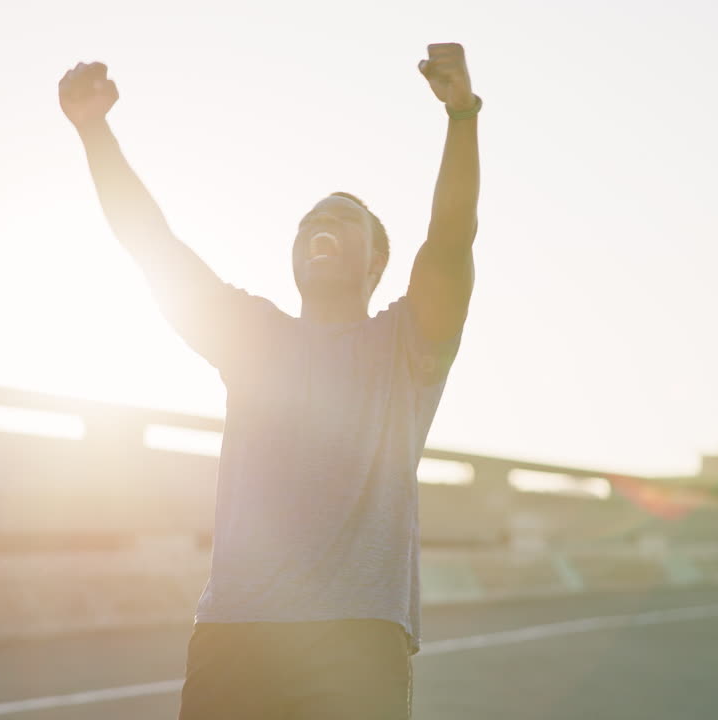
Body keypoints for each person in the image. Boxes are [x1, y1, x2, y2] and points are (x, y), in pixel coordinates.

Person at [58, 42, 480, 719]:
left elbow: (452, 239)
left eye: (340, 220)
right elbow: (153, 247)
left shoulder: (406, 344)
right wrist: (93, 130)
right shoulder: (253, 338)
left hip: (357, 634)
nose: (319, 226)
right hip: (236, 631)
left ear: (376, 263)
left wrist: (462, 116)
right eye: (308, 221)